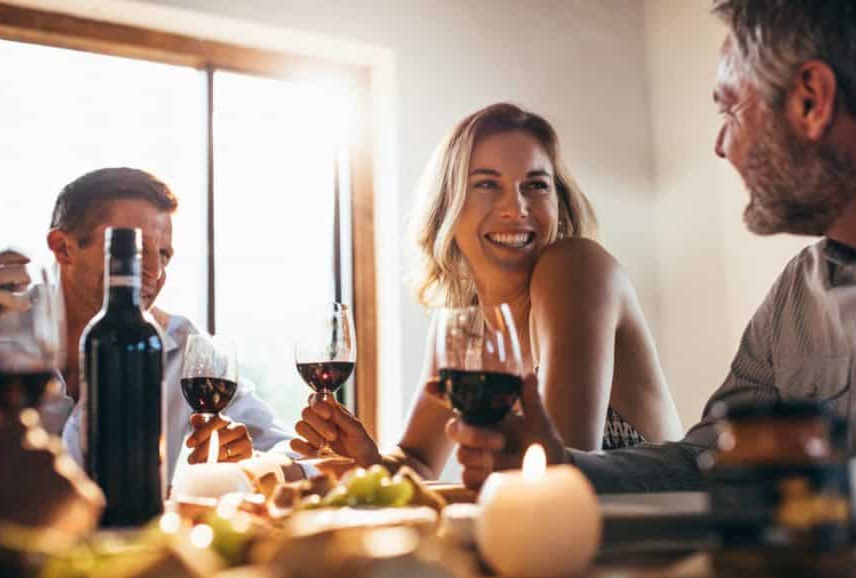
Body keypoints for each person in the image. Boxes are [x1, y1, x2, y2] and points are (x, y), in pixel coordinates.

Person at [442, 0, 856, 543]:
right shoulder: (798, 298)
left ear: (812, 101)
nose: (721, 146)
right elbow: (709, 461)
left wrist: (834, 492)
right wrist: (564, 465)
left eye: (731, 111)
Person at [291, 103, 682, 485]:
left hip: (659, 539)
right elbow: (418, 459)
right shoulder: (464, 318)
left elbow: (557, 472)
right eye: (487, 184)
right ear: (449, 205)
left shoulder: (574, 267)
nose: (516, 207)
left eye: (536, 185)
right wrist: (367, 461)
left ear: (558, 204)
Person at [40, 168, 298, 478]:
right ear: (63, 249)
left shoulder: (184, 348)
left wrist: (250, 458)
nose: (155, 272)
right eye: (135, 250)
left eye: (163, 255)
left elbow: (288, 451)